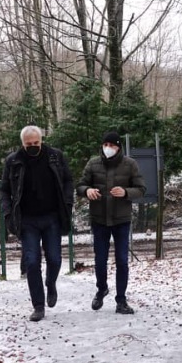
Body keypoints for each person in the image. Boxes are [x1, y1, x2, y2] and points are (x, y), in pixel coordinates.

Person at [0, 125, 74, 322]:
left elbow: (68, 181)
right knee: (32, 262)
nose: (33, 146)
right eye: (28, 144)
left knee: (55, 259)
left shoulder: (55, 156)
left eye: (36, 143)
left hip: (52, 217)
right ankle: (38, 305)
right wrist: (8, 214)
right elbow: (4, 190)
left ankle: (51, 283)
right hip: (27, 220)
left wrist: (67, 203)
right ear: (22, 144)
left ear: (41, 140)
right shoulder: (13, 161)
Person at [76, 131, 146, 315]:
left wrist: (125, 192)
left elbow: (141, 189)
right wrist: (87, 191)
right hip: (99, 219)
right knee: (100, 259)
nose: (108, 148)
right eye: (105, 145)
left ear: (118, 147)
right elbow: (80, 185)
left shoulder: (130, 164)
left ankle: (121, 300)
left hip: (121, 219)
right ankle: (101, 289)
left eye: (112, 145)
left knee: (122, 260)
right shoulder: (93, 163)